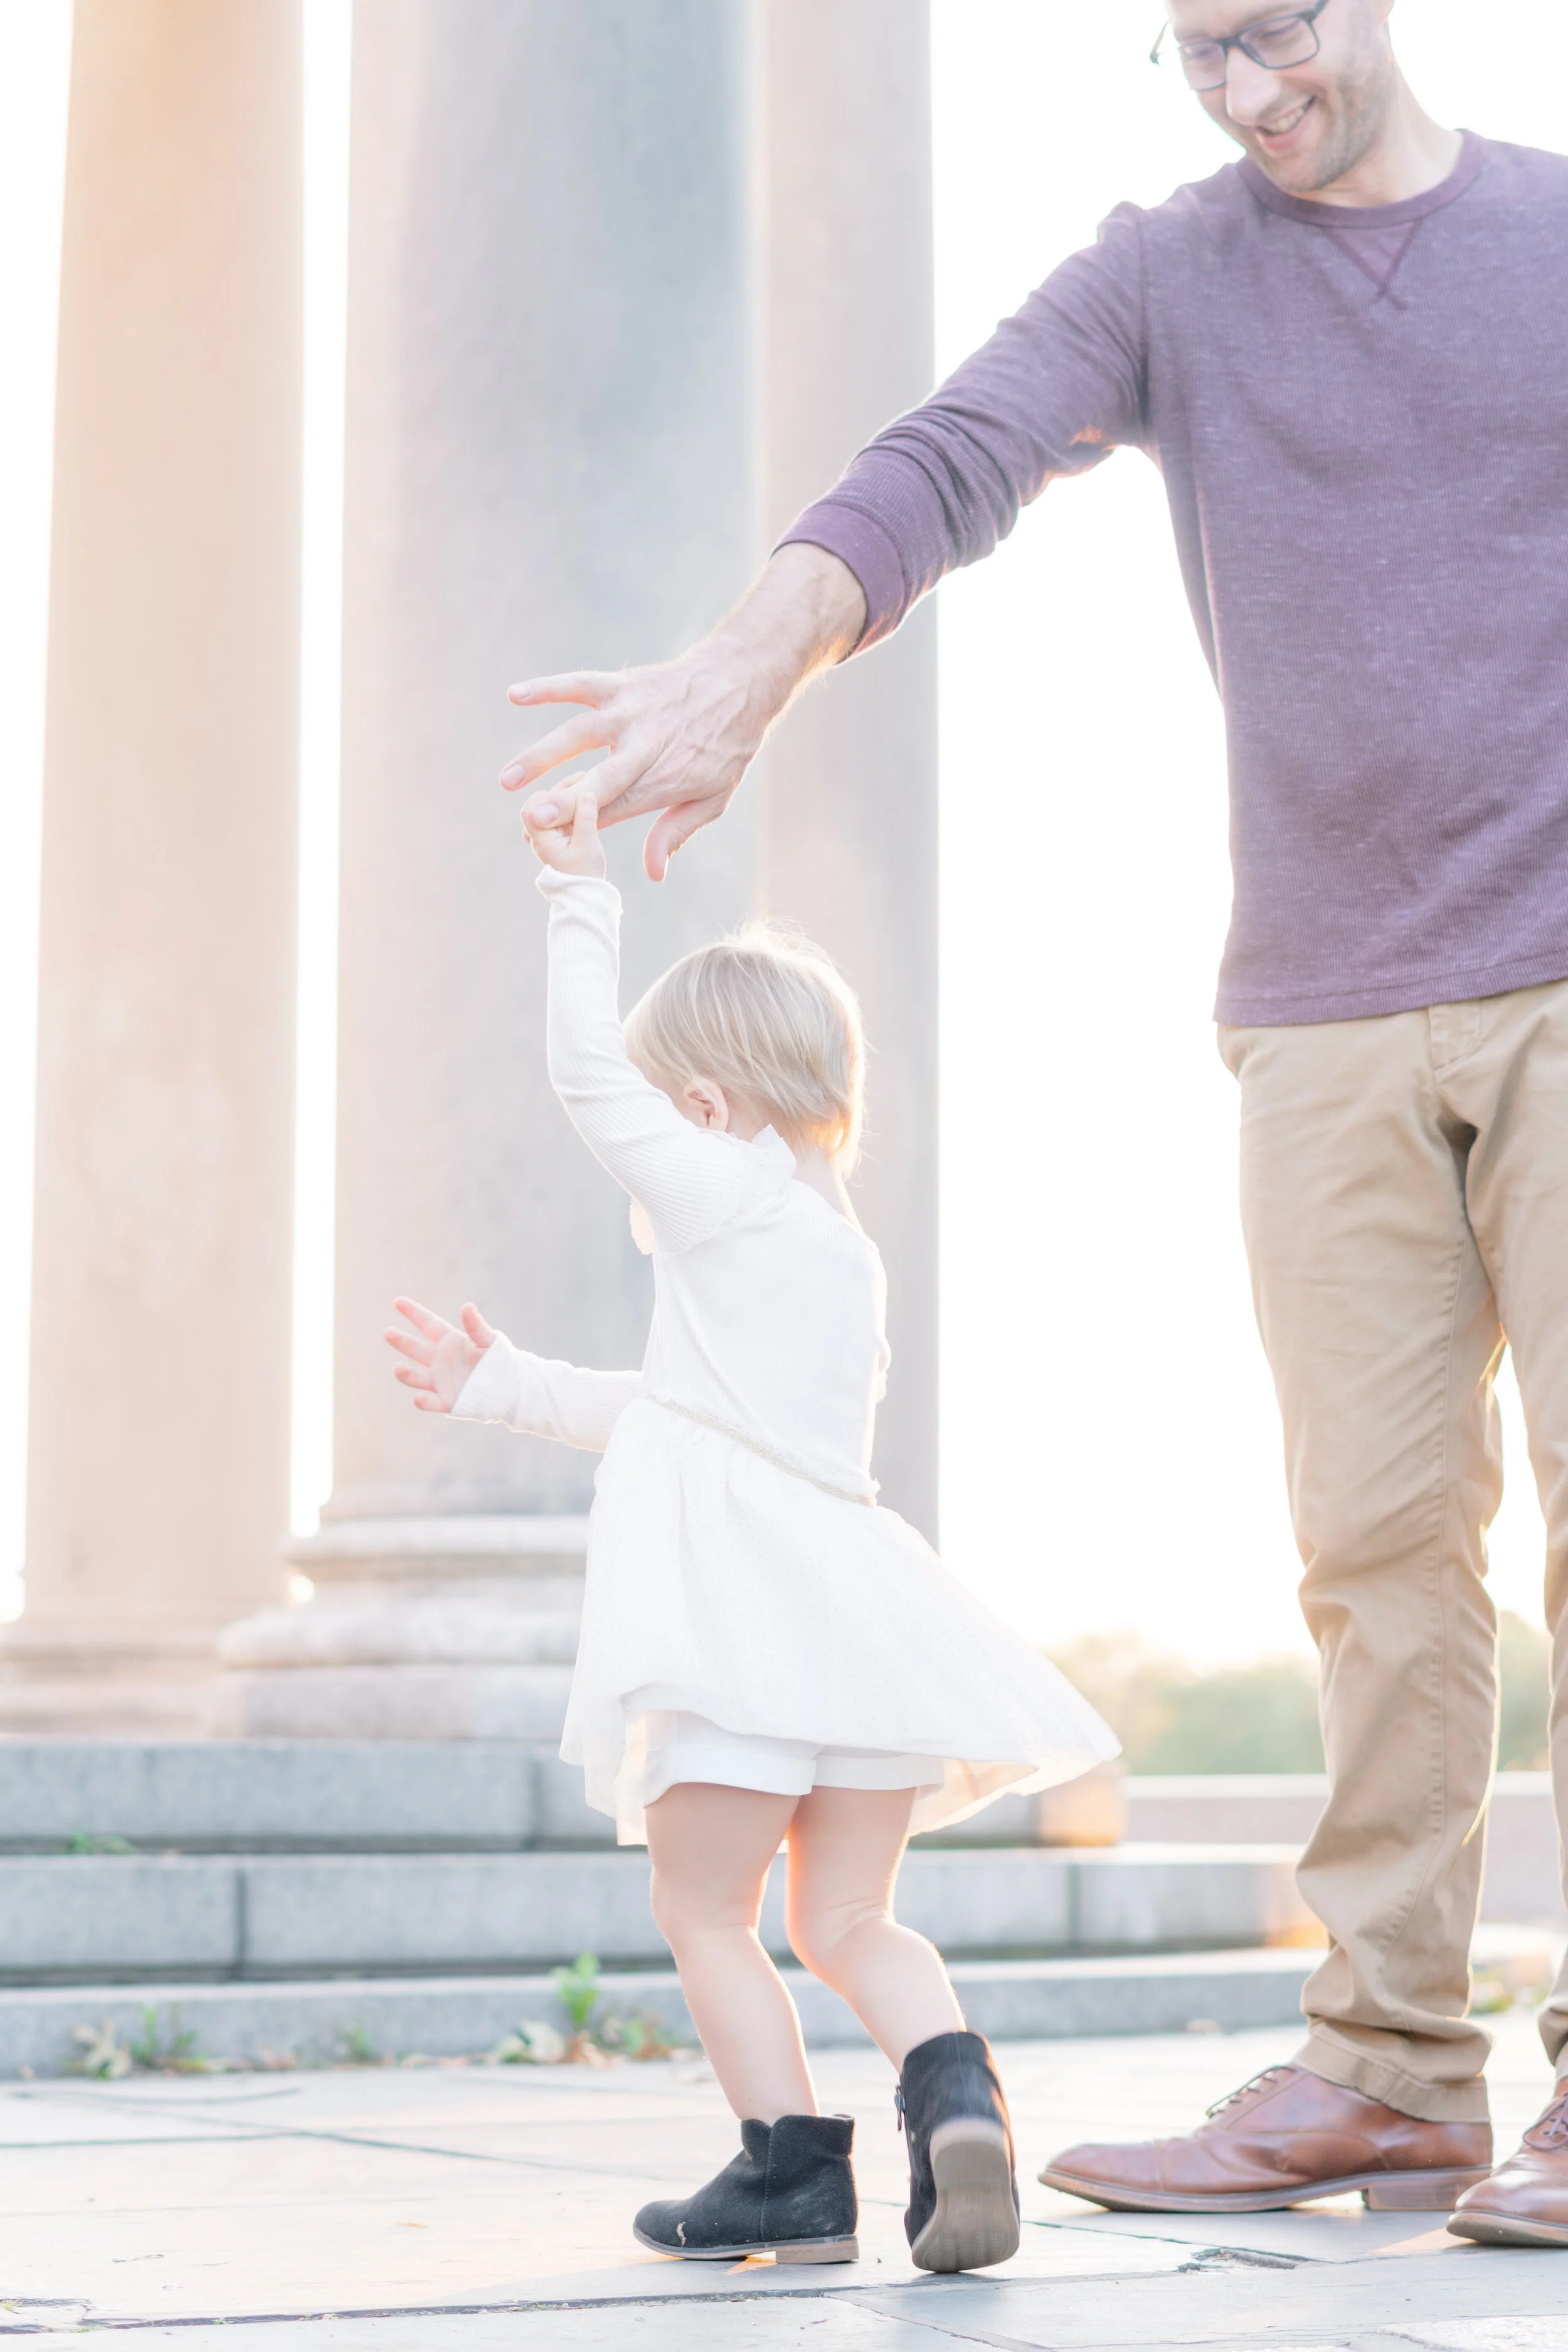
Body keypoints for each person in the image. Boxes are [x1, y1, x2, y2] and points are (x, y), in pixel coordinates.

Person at [490, 0, 1568, 2247]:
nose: (1253, 91)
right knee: (1375, 1551)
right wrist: (739, 668)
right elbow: (950, 455)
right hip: (1321, 1011)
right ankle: (1389, 2070)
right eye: (1199, 54)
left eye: (1280, 34)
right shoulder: (1174, 271)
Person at [385, 788, 1117, 2272]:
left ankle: (786, 2176)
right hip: (858, 1625)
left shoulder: (714, 1192)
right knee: (848, 1916)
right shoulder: (834, 1253)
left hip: (739, 1624)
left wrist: (576, 897)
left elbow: (587, 1077)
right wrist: (509, 1384)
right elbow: (681, 1417)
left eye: (669, 1110)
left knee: (703, 1905)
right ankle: (952, 2094)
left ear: (707, 1109)